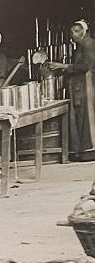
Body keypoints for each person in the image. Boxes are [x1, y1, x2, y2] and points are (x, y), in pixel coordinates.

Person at [48, 19, 95, 162]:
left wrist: (62, 66)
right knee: (80, 118)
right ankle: (82, 152)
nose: (73, 34)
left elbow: (85, 66)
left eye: (77, 31)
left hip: (86, 85)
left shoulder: (89, 44)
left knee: (87, 118)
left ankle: (89, 151)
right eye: (72, 32)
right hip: (79, 86)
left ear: (84, 31)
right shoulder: (80, 46)